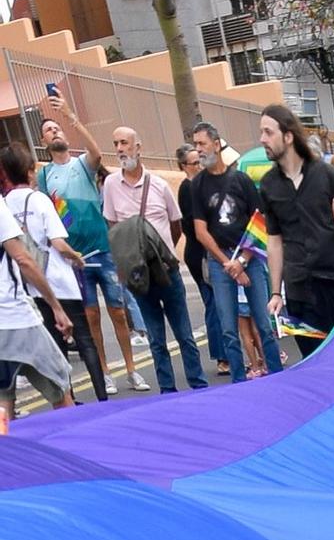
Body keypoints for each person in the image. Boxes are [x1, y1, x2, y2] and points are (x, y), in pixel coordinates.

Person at [37, 90, 148, 393]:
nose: (55, 131)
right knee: (91, 317)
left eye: (57, 128)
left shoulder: (82, 164)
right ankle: (105, 372)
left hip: (105, 250)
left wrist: (70, 116)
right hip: (75, 258)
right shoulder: (45, 176)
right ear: (44, 141)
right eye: (49, 130)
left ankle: (131, 369)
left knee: (118, 312)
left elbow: (97, 153)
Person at [101, 127, 207, 393]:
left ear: (138, 147)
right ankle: (167, 392)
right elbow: (113, 227)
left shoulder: (159, 185)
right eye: (116, 144)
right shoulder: (112, 185)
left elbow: (176, 224)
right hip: (139, 275)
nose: (120, 148)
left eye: (124, 143)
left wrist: (162, 251)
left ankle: (198, 386)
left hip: (167, 270)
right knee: (156, 340)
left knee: (184, 335)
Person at [1, 141, 106, 400]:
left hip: (28, 290)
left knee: (7, 394)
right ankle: (100, 400)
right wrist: (76, 258)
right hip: (43, 292)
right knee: (78, 349)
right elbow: (47, 248)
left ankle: (8, 437)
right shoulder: (37, 200)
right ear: (28, 171)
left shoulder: (6, 203)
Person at [257, 104, 334, 357]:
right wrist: (276, 292)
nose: (262, 140)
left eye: (268, 133)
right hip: (299, 290)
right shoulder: (268, 185)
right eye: (262, 133)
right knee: (312, 363)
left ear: (288, 136)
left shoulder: (327, 175)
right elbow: (274, 241)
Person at [190, 121, 283, 385]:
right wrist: (227, 263)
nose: (198, 150)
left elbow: (259, 223)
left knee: (263, 323)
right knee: (229, 328)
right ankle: (239, 382)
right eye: (195, 145)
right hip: (220, 262)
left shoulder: (240, 180)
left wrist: (242, 260)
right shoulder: (197, 185)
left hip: (248, 257)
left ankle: (276, 376)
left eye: (202, 144)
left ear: (217, 145)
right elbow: (200, 231)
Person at [0, 194, 73, 424]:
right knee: (61, 388)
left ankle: (8, 458)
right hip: (15, 317)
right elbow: (23, 259)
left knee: (3, 403)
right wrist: (56, 306)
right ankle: (74, 451)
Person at [175, 142, 227, 376]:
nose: (198, 166)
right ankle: (221, 356)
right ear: (183, 166)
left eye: (199, 161)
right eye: (193, 163)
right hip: (199, 255)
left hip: (204, 252)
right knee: (213, 304)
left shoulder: (199, 186)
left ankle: (225, 353)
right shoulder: (189, 188)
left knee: (218, 303)